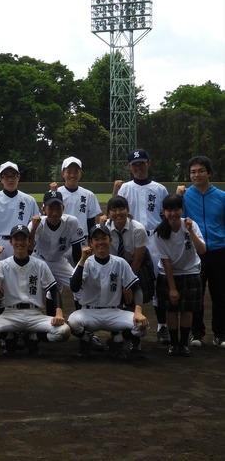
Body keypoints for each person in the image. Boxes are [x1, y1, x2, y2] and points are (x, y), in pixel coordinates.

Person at [0, 225, 71, 356]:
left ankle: (33, 337)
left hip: (35, 314)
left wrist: (59, 313)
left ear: (30, 242)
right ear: (11, 242)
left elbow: (54, 289)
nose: (20, 242)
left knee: (64, 331)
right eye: (16, 239)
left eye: (24, 239)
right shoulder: (2, 265)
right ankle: (11, 336)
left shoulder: (40, 265)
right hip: (10, 314)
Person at [113, 149, 169, 344]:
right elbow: (116, 210)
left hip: (155, 239)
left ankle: (162, 326)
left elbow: (165, 216)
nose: (138, 167)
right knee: (129, 279)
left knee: (158, 282)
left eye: (141, 163)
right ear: (130, 167)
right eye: (134, 164)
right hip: (131, 237)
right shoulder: (125, 188)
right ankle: (131, 324)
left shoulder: (160, 189)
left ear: (149, 163)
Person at [68, 225, 149, 359]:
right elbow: (74, 287)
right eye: (96, 239)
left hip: (113, 313)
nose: (100, 242)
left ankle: (116, 341)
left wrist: (138, 311)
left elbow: (137, 288)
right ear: (91, 243)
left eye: (104, 238)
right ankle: (86, 340)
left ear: (110, 240)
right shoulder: (86, 263)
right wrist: (82, 260)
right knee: (72, 322)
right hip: (89, 313)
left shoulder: (120, 262)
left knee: (142, 326)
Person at [0, 161, 40, 320]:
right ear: (0, 179)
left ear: (18, 177)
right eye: (6, 176)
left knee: (20, 281)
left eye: (13, 175)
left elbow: (35, 222)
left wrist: (30, 241)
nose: (10, 179)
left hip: (20, 243)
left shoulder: (28, 199)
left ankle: (18, 320)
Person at [177, 156, 225, 348]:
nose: (196, 175)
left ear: (209, 173)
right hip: (195, 252)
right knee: (196, 295)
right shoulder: (185, 197)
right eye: (193, 172)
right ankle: (197, 333)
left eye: (200, 171)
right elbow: (175, 219)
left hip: (219, 251)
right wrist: (179, 196)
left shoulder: (221, 196)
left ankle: (220, 334)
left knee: (220, 294)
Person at [153, 194, 206, 356]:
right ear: (164, 211)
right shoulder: (159, 232)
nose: (173, 213)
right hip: (170, 274)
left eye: (176, 209)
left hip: (190, 272)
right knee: (171, 309)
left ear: (182, 210)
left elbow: (202, 250)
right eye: (169, 209)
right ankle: (173, 343)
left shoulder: (191, 226)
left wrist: (190, 231)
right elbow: (166, 262)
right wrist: (172, 289)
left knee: (187, 309)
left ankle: (184, 343)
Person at [105, 195, 154, 352]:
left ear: (128, 211)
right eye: (113, 210)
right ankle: (115, 337)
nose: (118, 213)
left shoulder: (138, 229)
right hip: (114, 267)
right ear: (108, 212)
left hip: (135, 265)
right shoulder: (105, 229)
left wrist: (128, 284)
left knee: (132, 301)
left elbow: (137, 260)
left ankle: (134, 339)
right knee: (114, 300)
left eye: (121, 209)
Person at [29, 190, 84, 317]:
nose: (54, 212)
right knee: (30, 288)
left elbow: (76, 251)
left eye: (58, 208)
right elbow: (29, 250)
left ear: (63, 208)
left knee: (79, 287)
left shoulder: (72, 222)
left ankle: (81, 319)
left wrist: (78, 273)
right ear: (43, 209)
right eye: (50, 208)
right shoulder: (36, 224)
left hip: (58, 261)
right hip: (38, 259)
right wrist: (33, 229)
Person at [51, 156, 102, 239]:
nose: (72, 175)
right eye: (69, 171)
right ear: (62, 173)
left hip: (82, 237)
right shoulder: (56, 193)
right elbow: (48, 216)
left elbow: (91, 222)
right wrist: (53, 193)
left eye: (76, 171)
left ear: (80, 173)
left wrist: (91, 240)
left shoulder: (89, 195)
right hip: (60, 237)